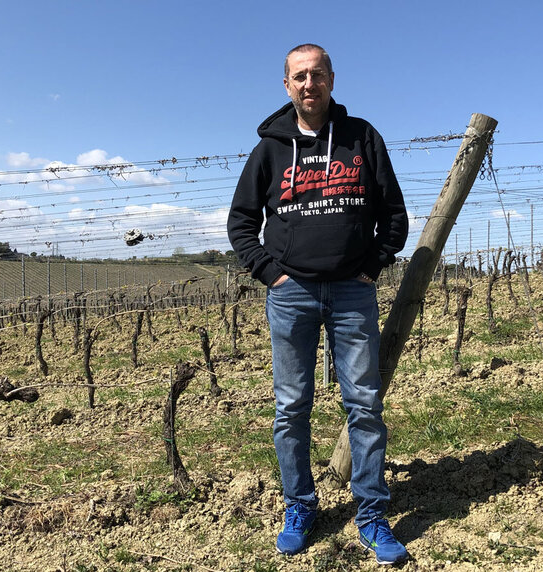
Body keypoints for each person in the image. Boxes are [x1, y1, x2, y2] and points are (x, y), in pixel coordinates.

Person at [226, 43, 409, 564]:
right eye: (300, 76)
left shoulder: (361, 137)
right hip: (292, 295)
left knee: (365, 405)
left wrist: (373, 265)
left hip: (353, 292)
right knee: (291, 407)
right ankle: (300, 506)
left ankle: (371, 515)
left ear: (332, 79)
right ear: (287, 86)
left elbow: (393, 213)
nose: (310, 84)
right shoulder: (268, 151)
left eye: (318, 74)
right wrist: (271, 274)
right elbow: (241, 223)